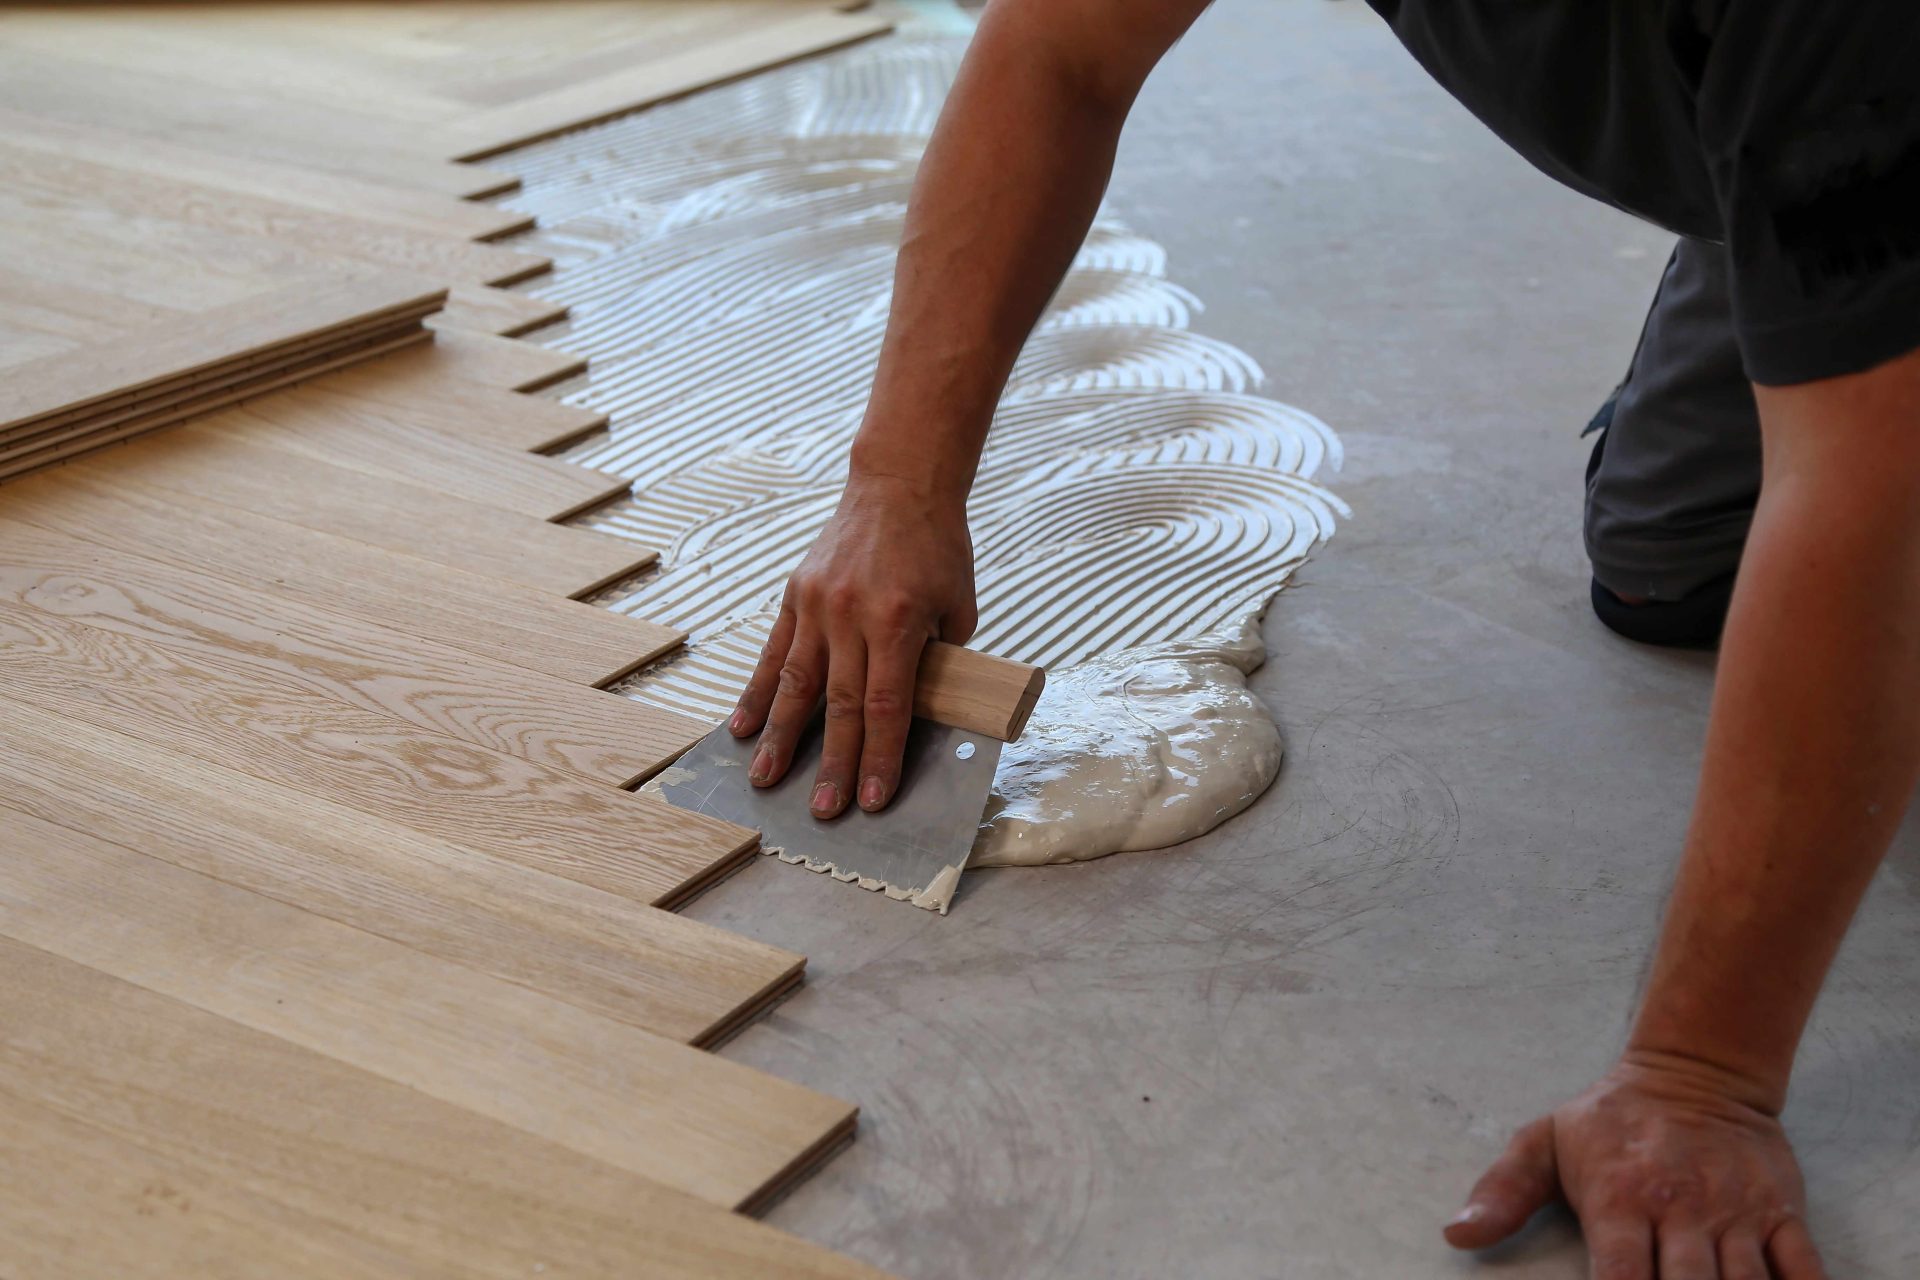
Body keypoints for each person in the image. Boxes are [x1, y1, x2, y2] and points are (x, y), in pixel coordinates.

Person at [726, 3, 1920, 1275]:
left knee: (1859, 489)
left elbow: (1871, 503)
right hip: (1803, 132)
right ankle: (1801, 232)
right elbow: (1060, 52)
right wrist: (895, 487)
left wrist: (1702, 1073)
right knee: (1669, 563)